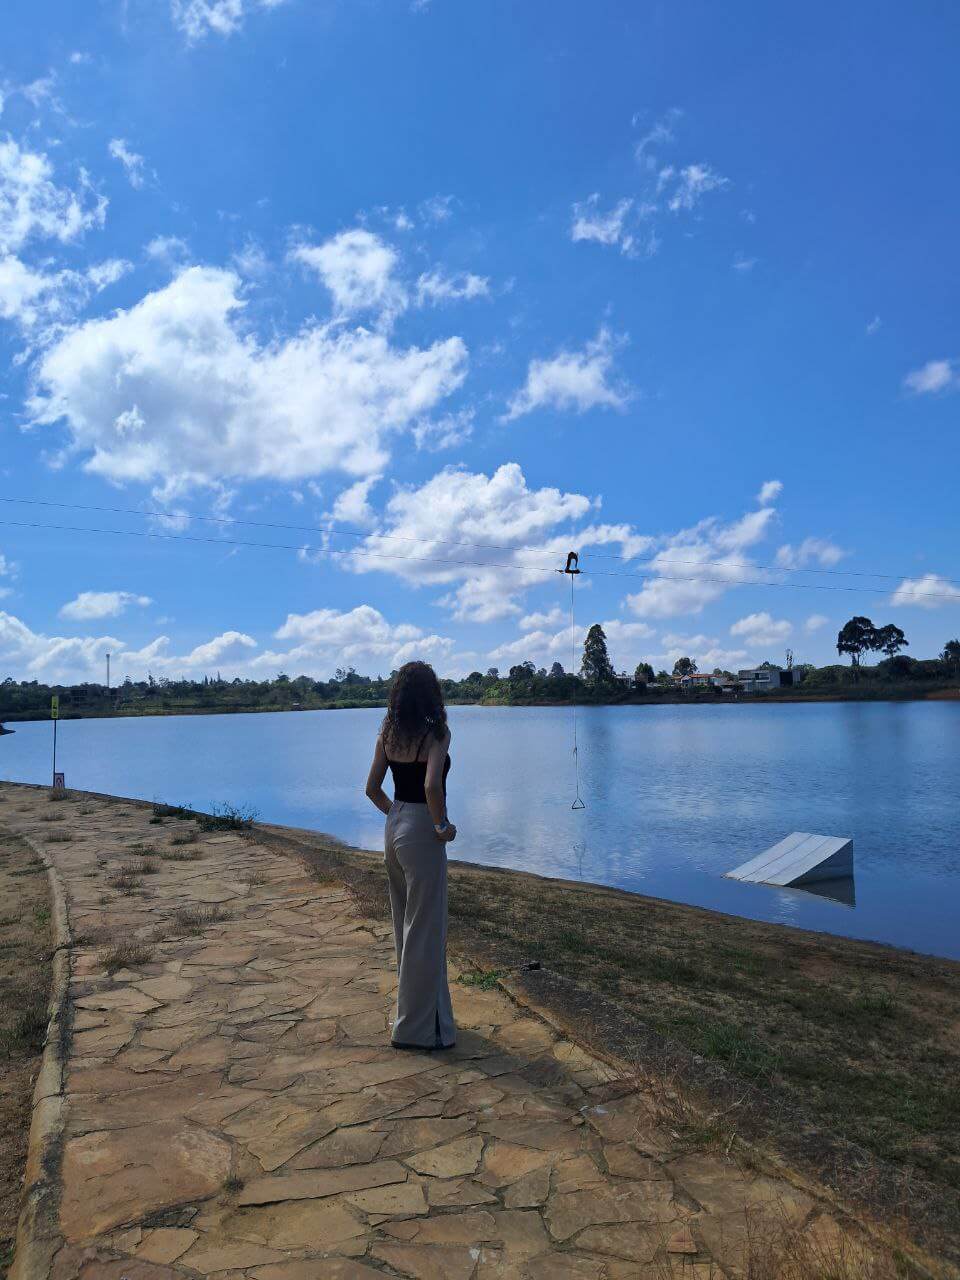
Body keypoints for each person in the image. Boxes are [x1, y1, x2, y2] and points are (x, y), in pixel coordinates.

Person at [365, 661, 457, 1050]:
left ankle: (426, 1022)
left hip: (395, 823)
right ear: (431, 693)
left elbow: (372, 789)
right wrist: (440, 827)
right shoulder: (436, 733)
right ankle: (415, 1030)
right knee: (426, 929)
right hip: (421, 829)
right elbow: (432, 785)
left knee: (406, 926)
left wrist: (399, 817)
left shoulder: (388, 732)